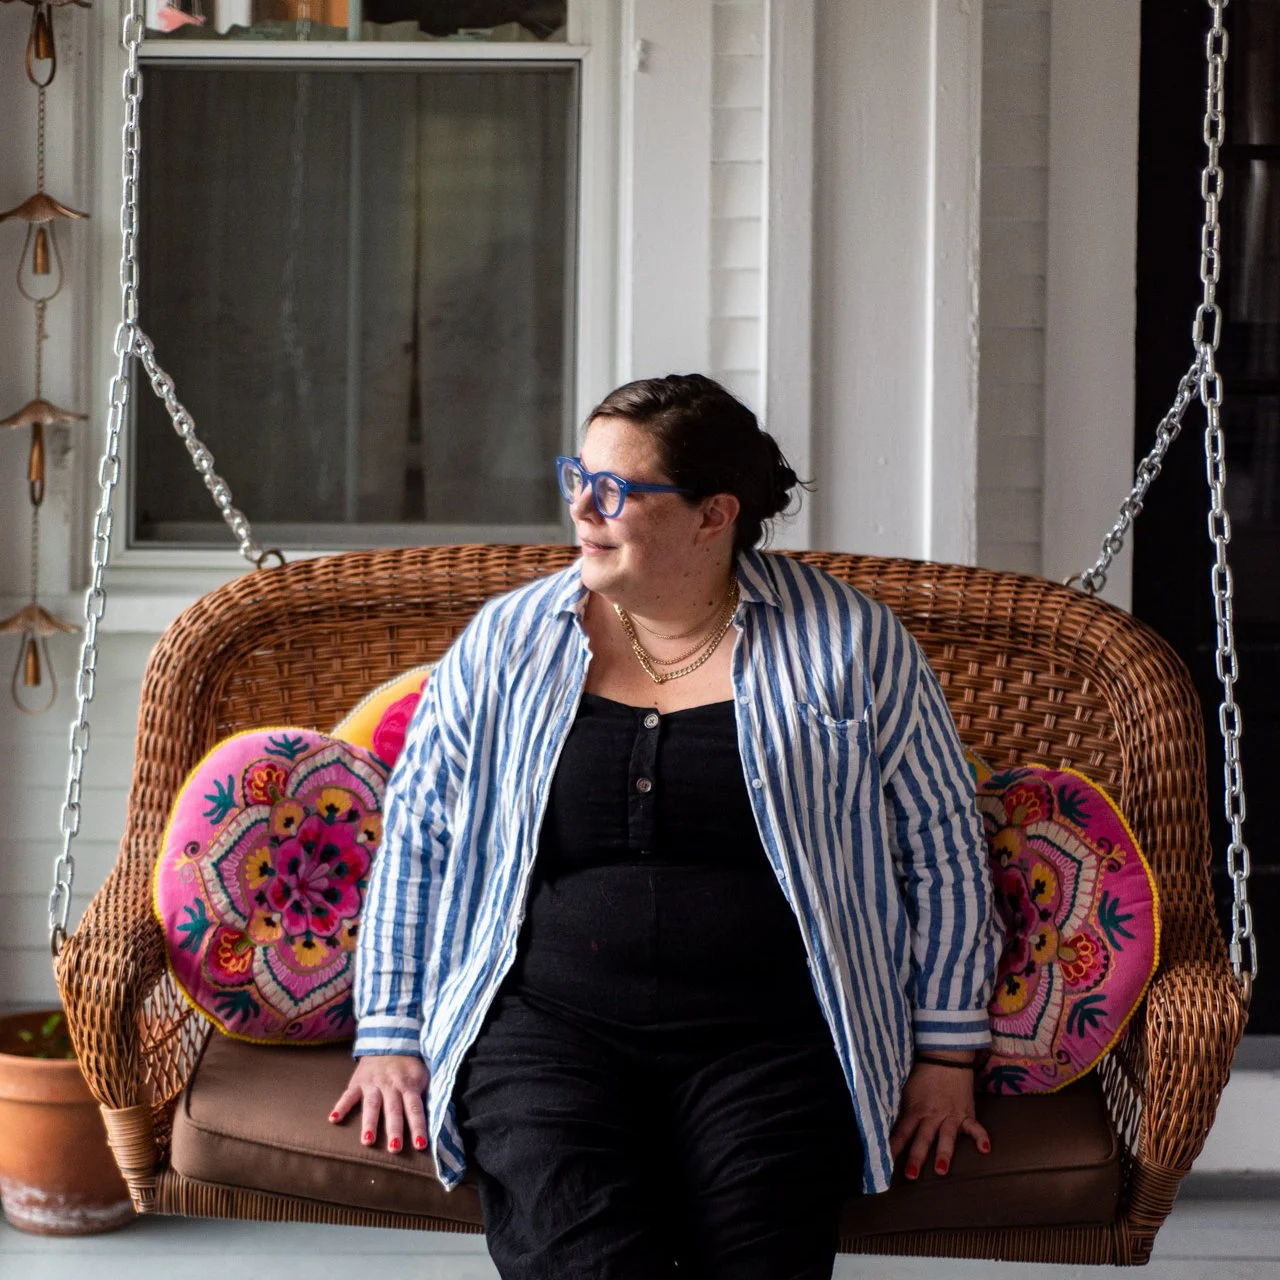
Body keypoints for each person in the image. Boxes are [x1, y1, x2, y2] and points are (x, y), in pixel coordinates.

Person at [330, 373, 1001, 1279]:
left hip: (774, 1034)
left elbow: (942, 846)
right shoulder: (509, 640)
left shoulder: (849, 643)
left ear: (712, 515)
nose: (581, 507)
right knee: (583, 1257)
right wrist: (389, 1032)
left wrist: (947, 1052)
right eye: (578, 476)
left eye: (615, 489)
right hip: (546, 1029)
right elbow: (419, 836)